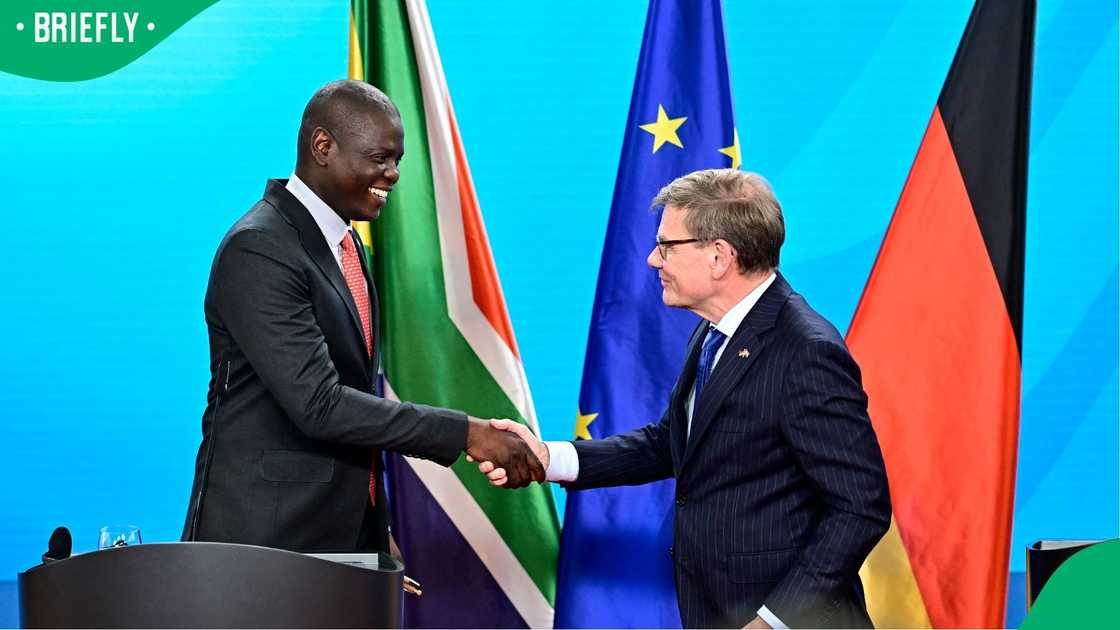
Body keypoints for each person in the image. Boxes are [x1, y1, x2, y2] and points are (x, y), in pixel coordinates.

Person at [483, 169, 891, 628]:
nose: (653, 260)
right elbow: (671, 442)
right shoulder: (715, 330)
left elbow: (860, 506)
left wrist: (774, 620)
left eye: (667, 245)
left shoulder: (805, 351)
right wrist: (547, 457)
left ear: (719, 257)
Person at [182, 80, 542, 554]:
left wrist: (371, 526)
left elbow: (353, 402)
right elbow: (321, 405)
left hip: (336, 537)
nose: (392, 175)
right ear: (323, 147)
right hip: (263, 548)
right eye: (380, 158)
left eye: (397, 161)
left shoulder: (344, 245)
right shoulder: (261, 247)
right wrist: (467, 432)